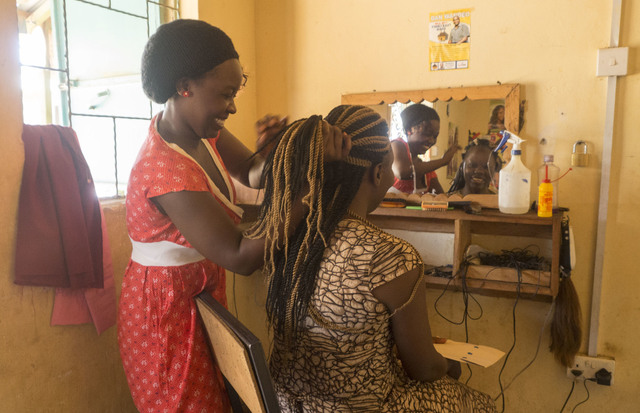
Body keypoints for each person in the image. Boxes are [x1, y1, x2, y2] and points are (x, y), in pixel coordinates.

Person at [117, 19, 350, 413]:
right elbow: (241, 255)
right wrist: (309, 194)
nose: (234, 106)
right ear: (183, 85)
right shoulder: (165, 168)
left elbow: (254, 174)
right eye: (226, 94)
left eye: (235, 91)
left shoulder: (202, 133)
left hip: (199, 292)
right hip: (167, 314)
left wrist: (275, 149)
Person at [248, 105, 496, 412]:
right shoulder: (391, 258)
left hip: (287, 404)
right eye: (390, 169)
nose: (392, 179)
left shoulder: (290, 239)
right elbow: (424, 369)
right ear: (377, 173)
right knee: (482, 403)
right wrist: (447, 364)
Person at [391, 104, 459, 194]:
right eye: (427, 134)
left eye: (435, 136)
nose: (432, 140)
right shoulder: (397, 145)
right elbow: (402, 172)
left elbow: (441, 198)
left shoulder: (426, 170)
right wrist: (443, 161)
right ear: (409, 130)